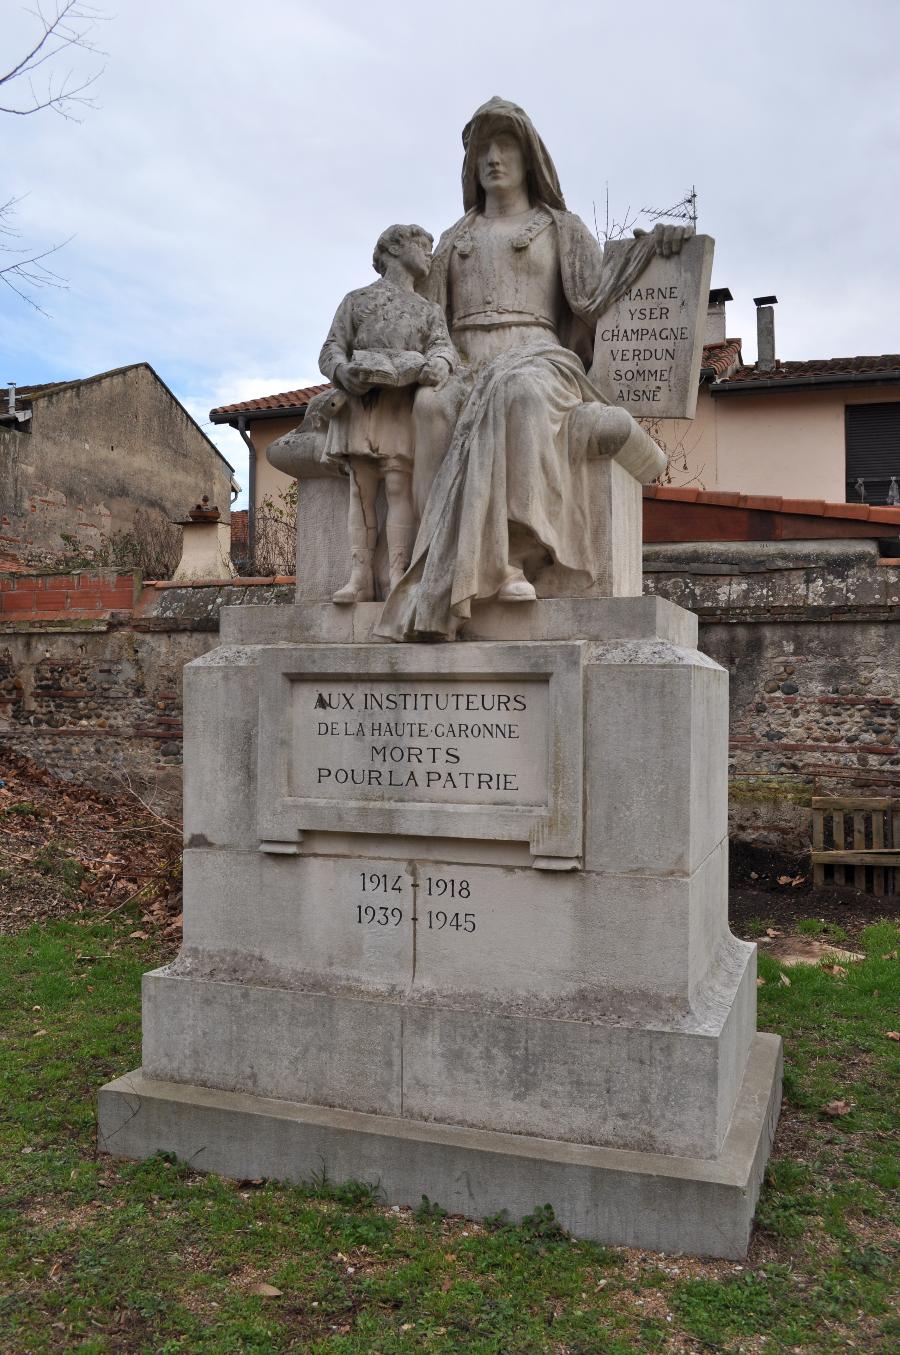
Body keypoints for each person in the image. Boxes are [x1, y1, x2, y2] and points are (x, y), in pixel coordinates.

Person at [376, 97, 687, 641]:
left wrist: (654, 250)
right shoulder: (454, 239)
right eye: (483, 150)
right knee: (429, 404)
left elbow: (597, 296)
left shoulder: (560, 228)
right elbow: (427, 320)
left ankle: (510, 555)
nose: (493, 159)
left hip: (539, 357)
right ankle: (435, 558)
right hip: (463, 358)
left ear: (529, 157)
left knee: (517, 392)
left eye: (506, 147)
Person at [319, 223, 457, 603]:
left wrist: (439, 365)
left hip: (402, 407)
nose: (429, 253)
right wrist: (343, 372)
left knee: (400, 489)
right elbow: (331, 349)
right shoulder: (358, 300)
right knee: (361, 490)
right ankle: (359, 576)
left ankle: (397, 573)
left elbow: (445, 349)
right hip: (363, 404)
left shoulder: (429, 310)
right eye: (422, 245)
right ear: (395, 248)